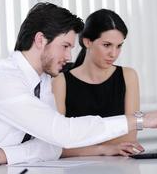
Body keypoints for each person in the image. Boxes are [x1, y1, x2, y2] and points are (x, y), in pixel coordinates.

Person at [0, 2, 157, 167]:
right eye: (65, 46)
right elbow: (63, 133)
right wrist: (140, 120)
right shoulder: (4, 80)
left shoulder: (44, 81)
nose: (69, 56)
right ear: (40, 40)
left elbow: (52, 144)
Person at [52, 9, 142, 157]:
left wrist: (83, 144)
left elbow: (129, 139)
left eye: (119, 46)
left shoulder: (128, 76)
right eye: (107, 45)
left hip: (119, 167)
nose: (113, 53)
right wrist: (104, 148)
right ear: (87, 41)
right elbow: (57, 145)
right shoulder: (61, 82)